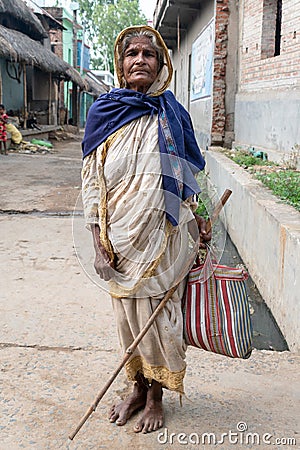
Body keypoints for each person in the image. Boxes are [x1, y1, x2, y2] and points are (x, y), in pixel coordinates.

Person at [81, 25, 211, 434]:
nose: (140, 59)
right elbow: (90, 179)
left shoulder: (173, 113)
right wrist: (98, 242)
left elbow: (189, 174)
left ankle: (156, 397)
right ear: (121, 65)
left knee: (161, 317)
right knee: (127, 319)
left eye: (149, 54)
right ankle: (137, 388)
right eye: (132, 53)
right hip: (119, 235)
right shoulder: (104, 111)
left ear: (161, 65)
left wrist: (201, 216)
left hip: (165, 234)